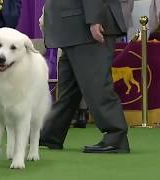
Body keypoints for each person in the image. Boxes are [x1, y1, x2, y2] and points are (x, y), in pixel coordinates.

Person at [39, 0, 130, 153]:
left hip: (86, 25)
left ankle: (116, 136)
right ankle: (50, 134)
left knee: (96, 84)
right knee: (69, 90)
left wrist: (95, 19)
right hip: (74, 26)